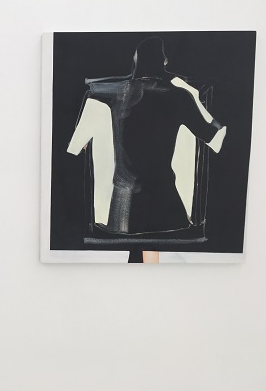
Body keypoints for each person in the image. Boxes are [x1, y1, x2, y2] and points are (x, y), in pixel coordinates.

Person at [67, 37, 226, 263]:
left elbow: (91, 91)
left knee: (134, 259)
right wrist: (196, 97)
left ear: (137, 61)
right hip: (162, 200)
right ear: (163, 61)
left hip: (123, 205)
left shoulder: (119, 91)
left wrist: (79, 142)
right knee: (154, 260)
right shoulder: (178, 96)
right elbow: (213, 138)